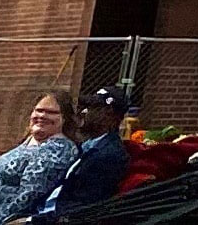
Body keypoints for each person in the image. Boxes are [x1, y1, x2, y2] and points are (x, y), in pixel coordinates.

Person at [0, 93, 81, 225]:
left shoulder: (59, 150)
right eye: (39, 110)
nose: (42, 116)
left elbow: (28, 196)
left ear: (64, 118)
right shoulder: (27, 143)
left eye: (51, 112)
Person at [33, 86, 135, 217]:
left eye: (93, 108)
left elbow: (83, 206)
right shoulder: (87, 146)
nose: (84, 112)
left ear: (109, 114)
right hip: (42, 211)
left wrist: (34, 220)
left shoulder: (109, 155)